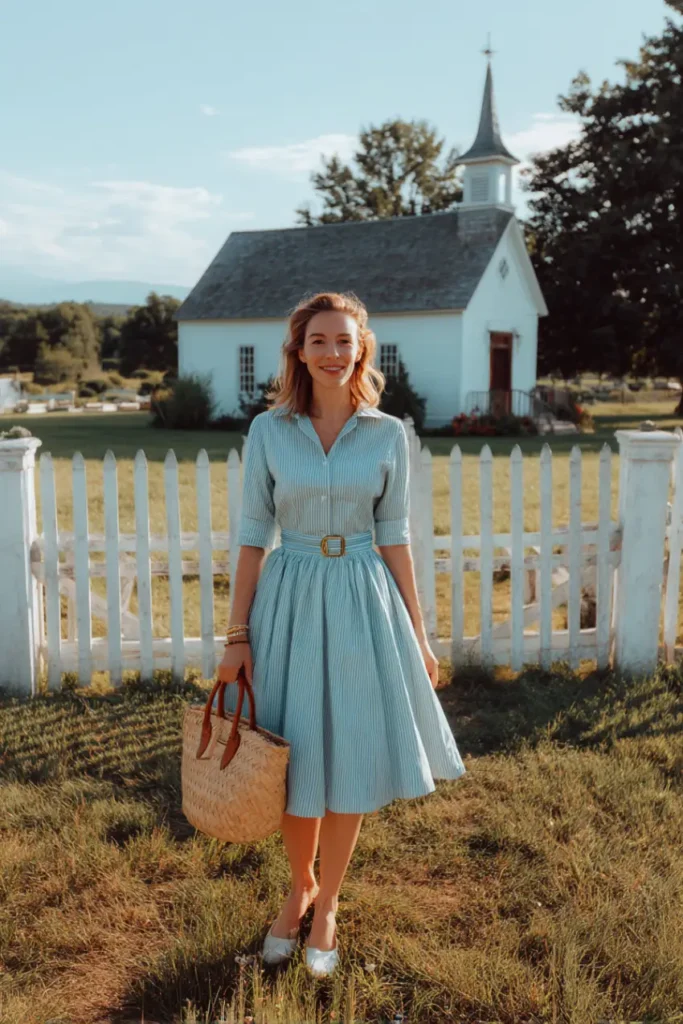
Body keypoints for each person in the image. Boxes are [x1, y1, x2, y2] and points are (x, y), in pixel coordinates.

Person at [217, 291, 466, 978]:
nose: (331, 352)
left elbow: (396, 539)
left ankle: (328, 902)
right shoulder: (268, 431)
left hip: (364, 600)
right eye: (318, 340)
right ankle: (296, 888)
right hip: (288, 600)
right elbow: (250, 538)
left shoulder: (387, 434)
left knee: (348, 754)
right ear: (298, 350)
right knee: (294, 757)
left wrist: (418, 634)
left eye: (343, 341)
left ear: (363, 349)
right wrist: (236, 636)